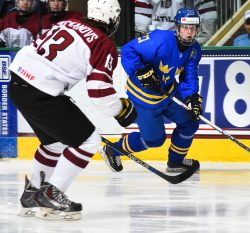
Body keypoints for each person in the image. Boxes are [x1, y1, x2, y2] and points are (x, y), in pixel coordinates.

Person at [8, 0, 136, 220]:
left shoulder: (69, 22)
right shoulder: (103, 43)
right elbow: (98, 90)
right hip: (42, 91)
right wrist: (120, 109)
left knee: (55, 143)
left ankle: (32, 194)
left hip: (18, 84)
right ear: (113, 18)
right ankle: (51, 193)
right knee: (89, 140)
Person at [100, 7, 202, 173]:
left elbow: (189, 76)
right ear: (177, 28)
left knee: (190, 121)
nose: (189, 32)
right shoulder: (159, 40)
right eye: (185, 28)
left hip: (169, 92)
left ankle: (175, 162)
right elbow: (128, 50)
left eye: (193, 28)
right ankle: (113, 150)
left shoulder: (194, 50)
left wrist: (191, 97)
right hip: (144, 98)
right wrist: (141, 71)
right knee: (154, 140)